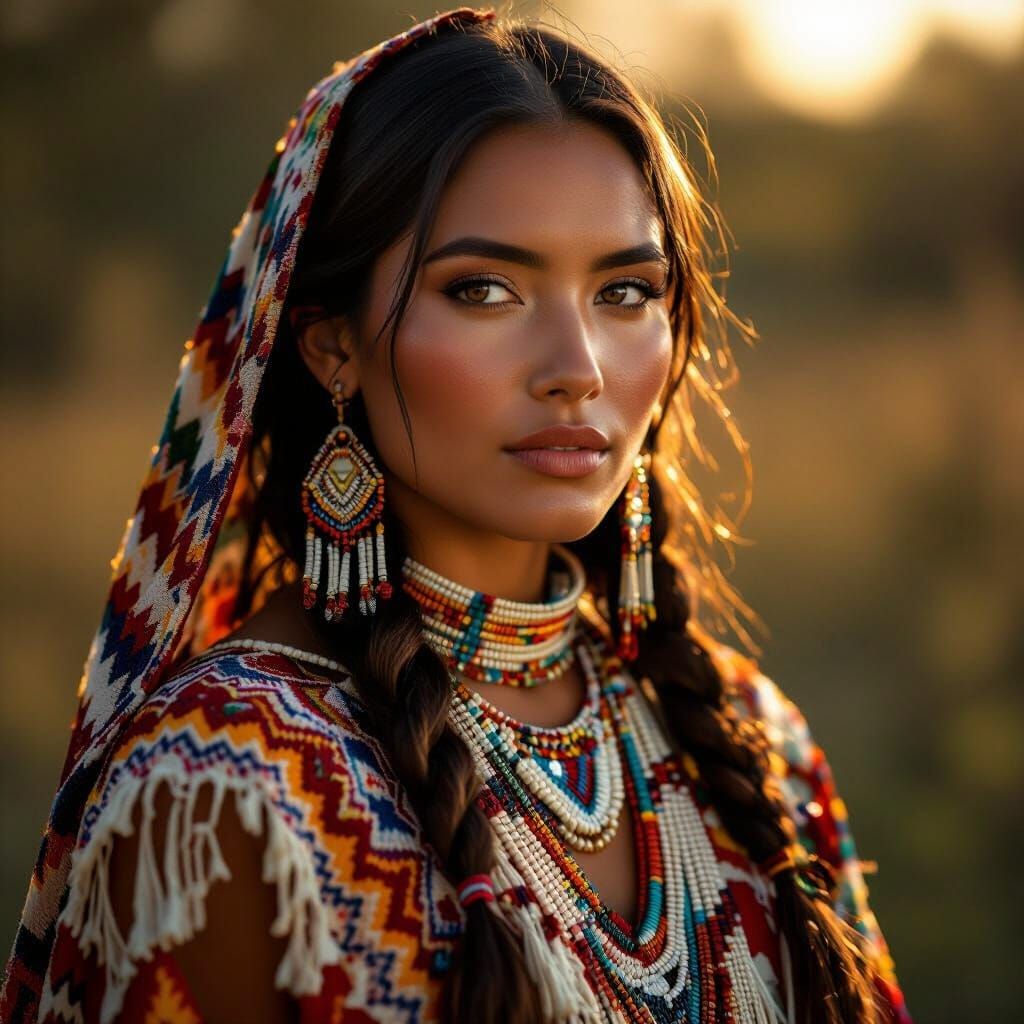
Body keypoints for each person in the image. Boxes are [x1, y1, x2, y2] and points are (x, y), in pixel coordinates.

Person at [1, 7, 913, 1023]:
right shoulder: (225, 782)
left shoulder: (758, 752)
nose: (578, 369)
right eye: (483, 289)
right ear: (330, 343)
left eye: (625, 289)